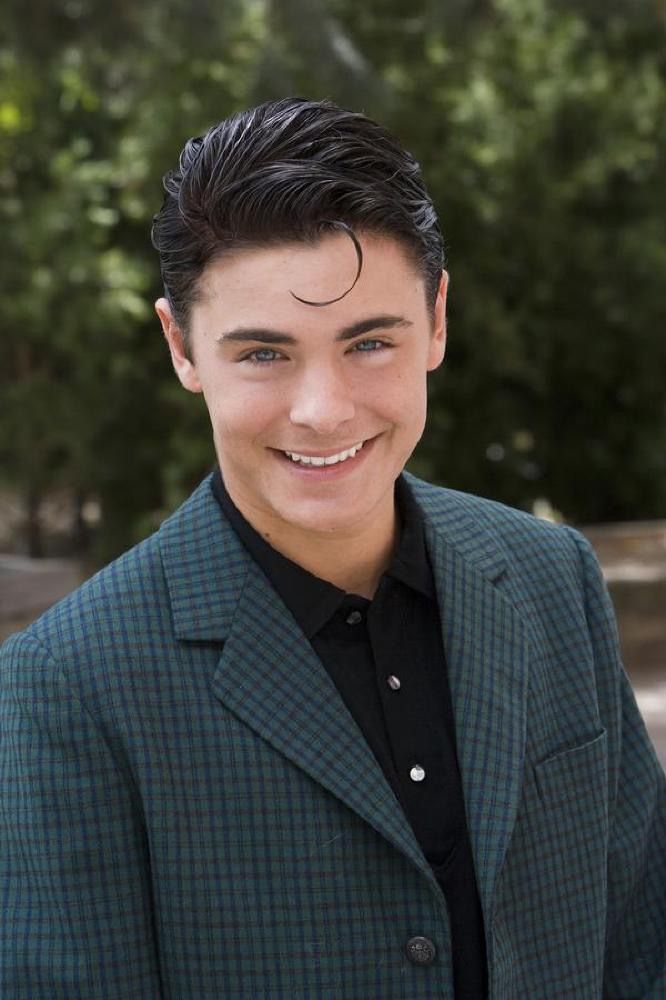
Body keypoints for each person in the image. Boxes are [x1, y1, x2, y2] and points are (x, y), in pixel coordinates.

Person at [1, 97, 664, 1000]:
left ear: (435, 320)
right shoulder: (64, 689)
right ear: (181, 346)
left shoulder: (555, 579)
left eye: (369, 342)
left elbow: (640, 947)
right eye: (265, 355)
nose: (323, 410)